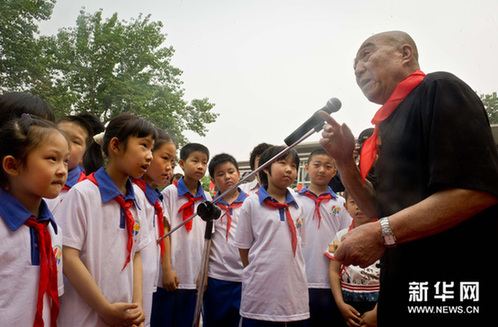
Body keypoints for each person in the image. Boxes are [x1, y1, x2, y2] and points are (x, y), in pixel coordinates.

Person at [319, 30, 498, 325]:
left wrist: (380, 233)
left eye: (366, 55)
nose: (358, 69)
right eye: (354, 66)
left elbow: (475, 191)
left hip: (448, 287)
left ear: (405, 54)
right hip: (405, 284)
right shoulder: (388, 124)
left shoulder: (438, 88)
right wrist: (343, 160)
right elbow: (381, 210)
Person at [56, 113, 156, 326]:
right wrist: (104, 308)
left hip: (123, 313)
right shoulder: (83, 194)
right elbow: (68, 257)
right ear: (116, 146)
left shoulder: (137, 196)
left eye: (151, 148)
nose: (150, 156)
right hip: (86, 316)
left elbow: (136, 253)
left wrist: (136, 305)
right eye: (143, 146)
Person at [0, 115, 69, 325]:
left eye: (65, 160)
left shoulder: (51, 228)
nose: (62, 170)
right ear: (12, 165)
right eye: (52, 158)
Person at [234, 145, 309, 326]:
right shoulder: (251, 204)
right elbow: (243, 248)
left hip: (293, 293)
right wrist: (258, 271)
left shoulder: (299, 206)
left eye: (293, 165)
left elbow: (300, 247)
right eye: (282, 163)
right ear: (265, 168)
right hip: (260, 293)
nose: (289, 169)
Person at [152, 143, 212, 327]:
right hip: (170, 276)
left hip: (193, 276)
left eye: (204, 162)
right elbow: (165, 231)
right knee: (162, 321)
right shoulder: (170, 193)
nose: (200, 166)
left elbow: (209, 239)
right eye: (195, 161)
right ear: (181, 163)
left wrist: (204, 273)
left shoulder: (208, 199)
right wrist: (167, 268)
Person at [296, 148, 351, 326]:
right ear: (306, 168)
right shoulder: (294, 201)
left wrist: (332, 253)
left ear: (334, 172)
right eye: (316, 165)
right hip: (300, 278)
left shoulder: (341, 203)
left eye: (328, 166)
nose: (321, 170)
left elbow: (345, 236)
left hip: (331, 281)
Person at [132, 128, 176, 327]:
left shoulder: (156, 197)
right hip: (132, 284)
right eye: (165, 158)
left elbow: (164, 232)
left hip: (149, 279)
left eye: (172, 162)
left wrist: (165, 268)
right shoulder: (131, 193)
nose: (169, 168)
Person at [202, 153, 248, 327]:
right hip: (216, 279)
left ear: (238, 173)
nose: (227, 177)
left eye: (231, 171)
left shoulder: (250, 205)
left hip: (243, 279)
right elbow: (207, 243)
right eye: (220, 174)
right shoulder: (210, 206)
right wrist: (204, 275)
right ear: (213, 179)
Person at [327, 190, 380, 327]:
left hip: (378, 303)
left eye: (364, 201)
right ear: (345, 207)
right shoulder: (340, 236)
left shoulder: (384, 236)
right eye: (353, 201)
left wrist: (377, 311)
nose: (358, 206)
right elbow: (333, 271)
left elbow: (393, 274)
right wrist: (340, 304)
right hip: (347, 301)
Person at [45, 115, 94, 214]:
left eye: (76, 141)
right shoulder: (31, 176)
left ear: (83, 155)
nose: (66, 143)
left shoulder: (87, 189)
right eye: (61, 136)